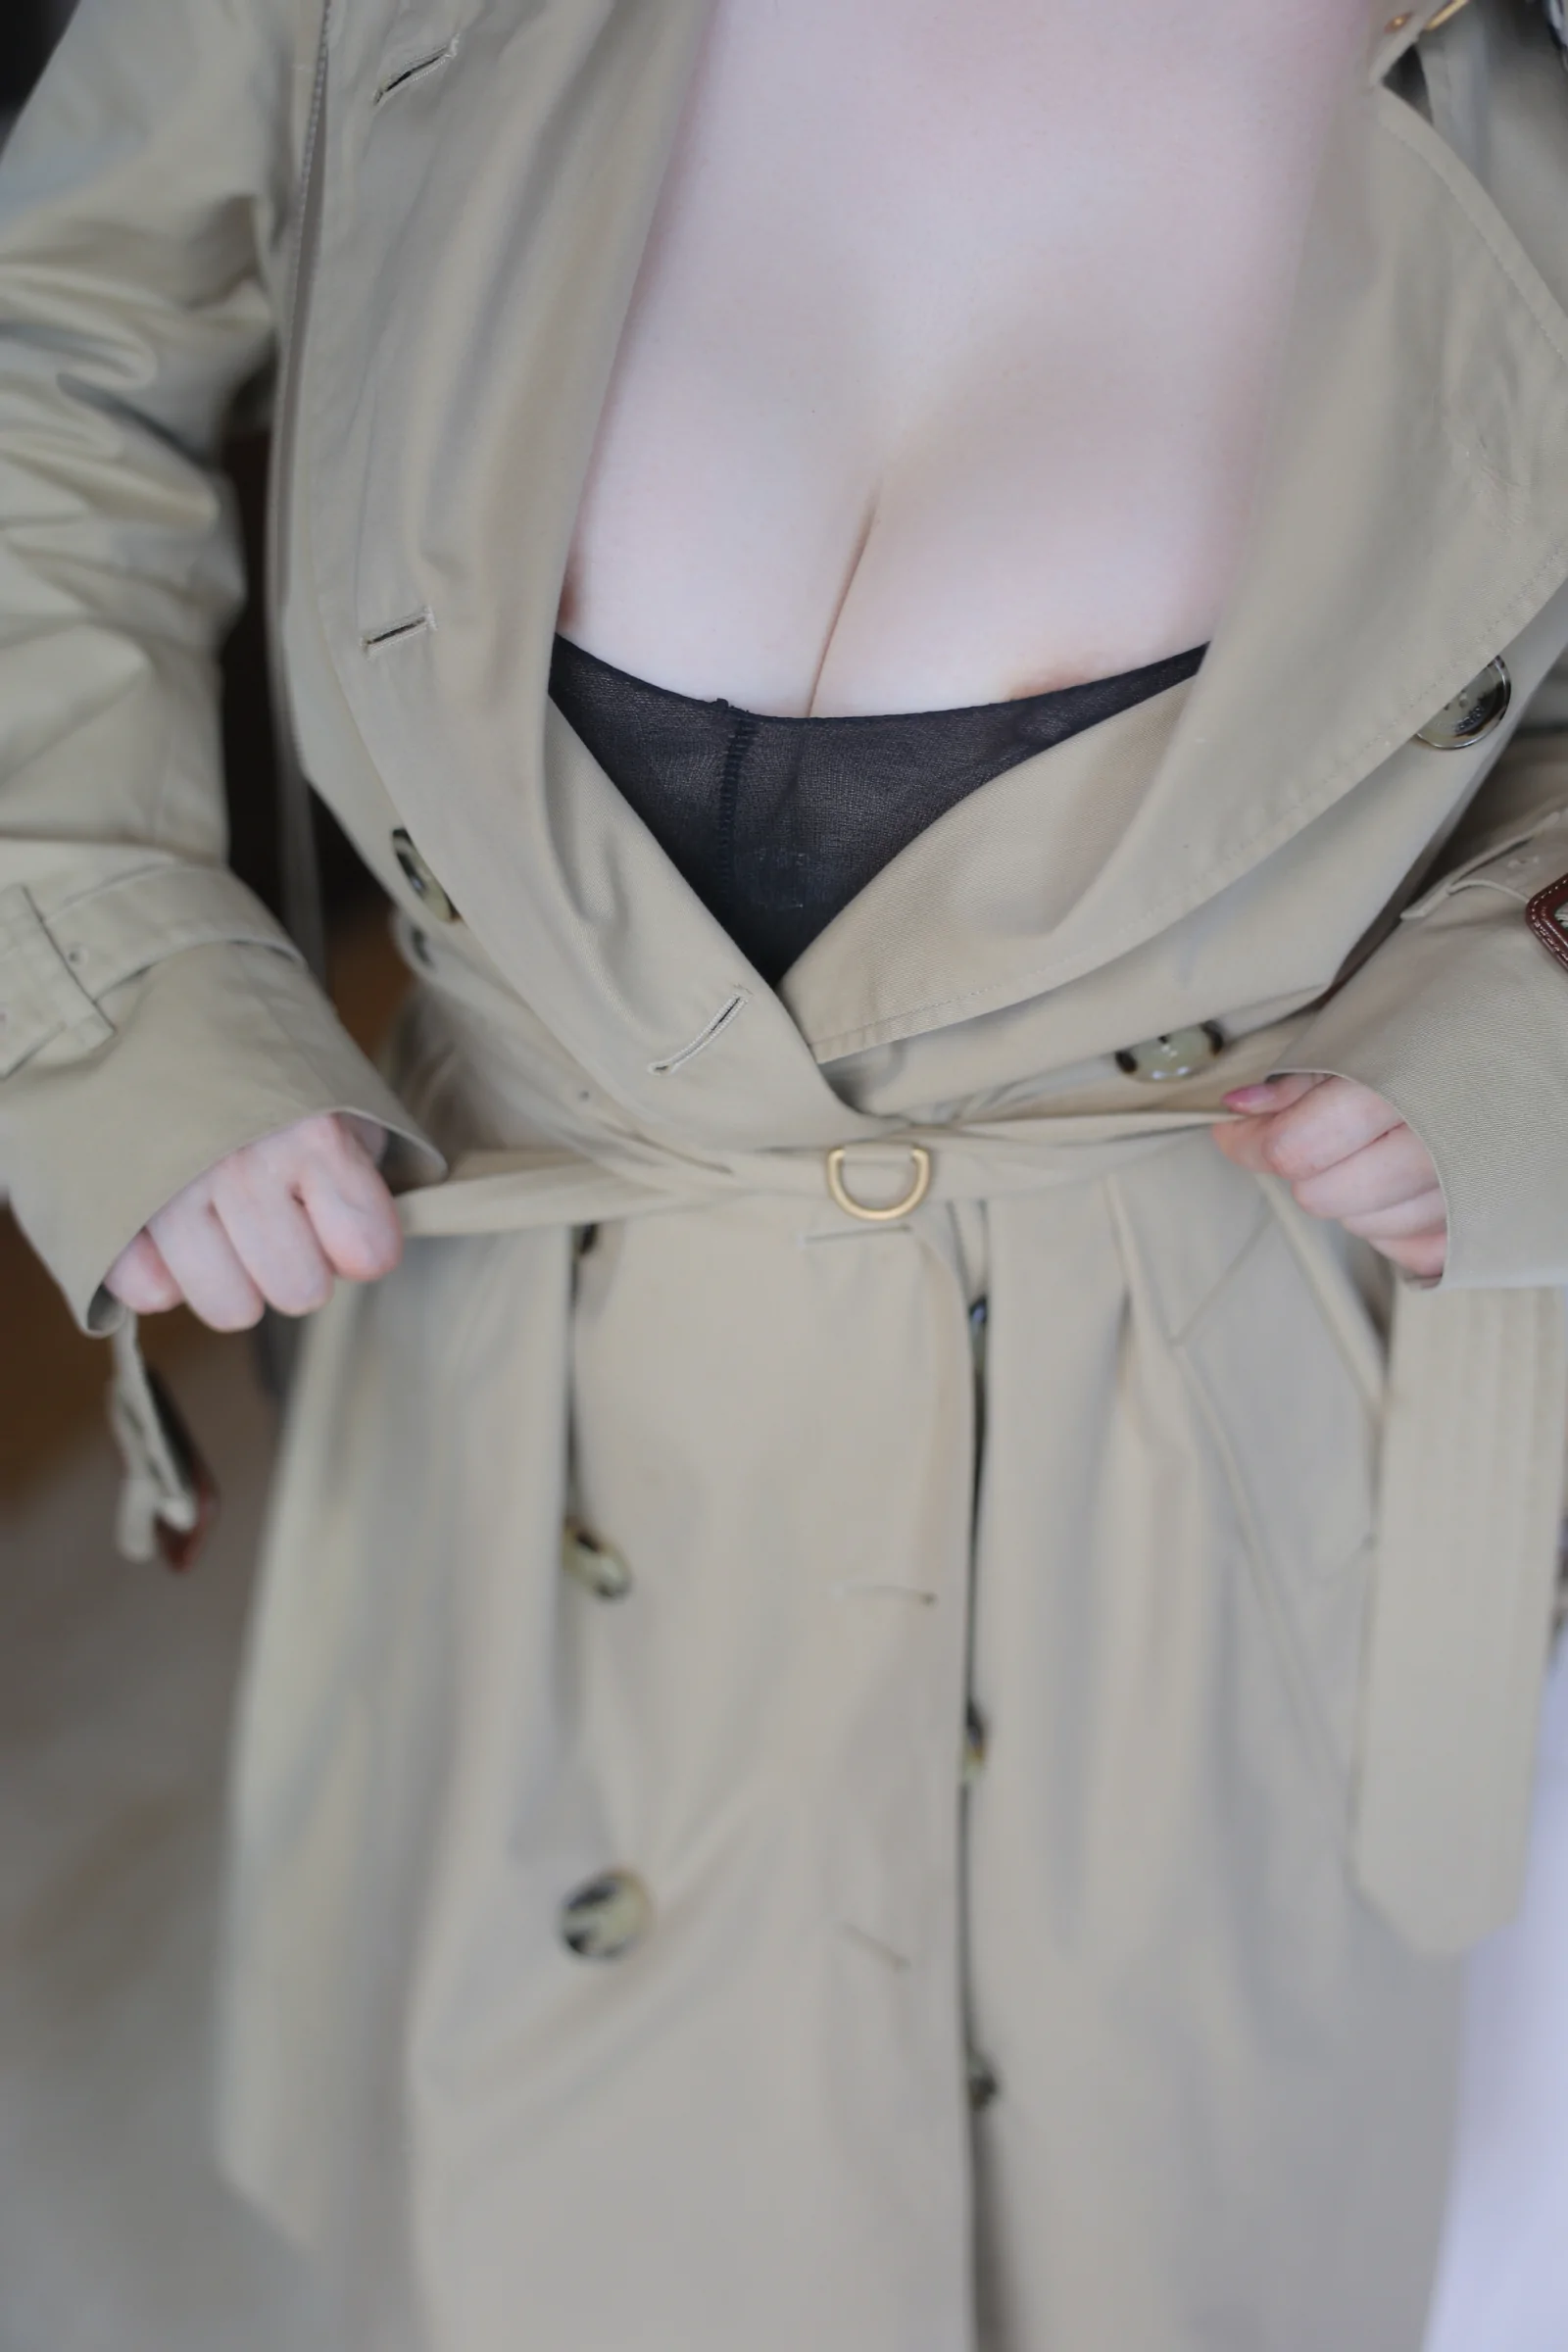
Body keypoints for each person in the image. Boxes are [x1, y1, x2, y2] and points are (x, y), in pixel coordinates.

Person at [1, 0, 1567, 2343]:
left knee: (1139, 2230)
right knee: (538, 2210)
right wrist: (108, 953)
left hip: (1189, 1490)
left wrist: (1513, 1015)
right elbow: (50, 349)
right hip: (507, 1419)